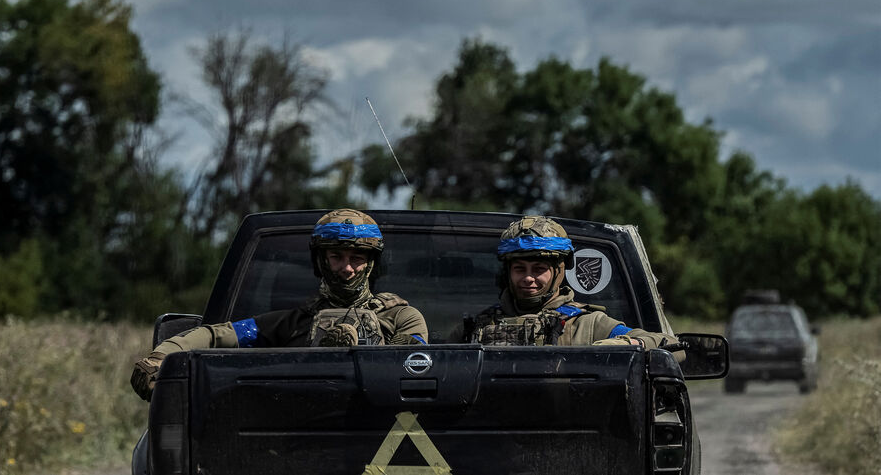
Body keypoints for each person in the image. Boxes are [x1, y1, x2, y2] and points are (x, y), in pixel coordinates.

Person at [131, 208, 428, 401]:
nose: (347, 268)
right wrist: (161, 358)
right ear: (320, 261)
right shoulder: (290, 324)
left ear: (371, 264)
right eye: (336, 257)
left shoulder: (402, 316)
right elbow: (216, 335)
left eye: (356, 258)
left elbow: (411, 359)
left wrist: (355, 352)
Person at [466, 215, 679, 349]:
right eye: (519, 269)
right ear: (507, 273)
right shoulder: (480, 325)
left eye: (539, 269)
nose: (528, 278)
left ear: (559, 271)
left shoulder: (587, 324)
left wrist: (627, 344)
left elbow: (669, 343)